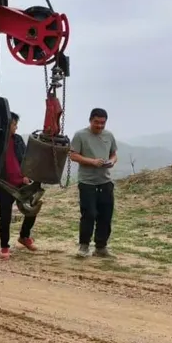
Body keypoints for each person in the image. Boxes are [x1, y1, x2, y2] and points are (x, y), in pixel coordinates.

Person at [68, 107, 118, 258]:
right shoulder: (80, 135)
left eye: (103, 123)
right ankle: (84, 246)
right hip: (87, 182)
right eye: (97, 122)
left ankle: (101, 247)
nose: (100, 126)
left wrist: (111, 162)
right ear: (90, 120)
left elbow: (114, 154)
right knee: (89, 214)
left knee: (106, 215)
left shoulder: (109, 135)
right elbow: (73, 155)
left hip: (105, 181)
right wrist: (92, 161)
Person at [0, 112, 37, 260]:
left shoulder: (18, 140)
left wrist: (27, 176)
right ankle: (4, 246)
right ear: (7, 124)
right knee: (5, 216)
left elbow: (26, 159)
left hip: (21, 183)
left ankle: (24, 236)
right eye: (14, 124)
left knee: (32, 208)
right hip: (4, 185)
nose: (16, 127)